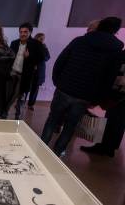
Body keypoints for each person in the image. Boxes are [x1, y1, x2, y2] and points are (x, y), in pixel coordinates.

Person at [40, 17, 124, 157]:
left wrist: (57, 82)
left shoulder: (80, 41)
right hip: (85, 95)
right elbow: (108, 78)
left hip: (64, 89)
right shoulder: (115, 51)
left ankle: (40, 150)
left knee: (52, 120)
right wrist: (97, 99)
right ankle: (57, 154)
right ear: (115, 31)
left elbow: (61, 61)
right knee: (71, 126)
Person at [80, 50, 125, 157]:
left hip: (119, 95)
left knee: (113, 119)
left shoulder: (121, 54)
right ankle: (111, 146)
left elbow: (117, 75)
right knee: (119, 121)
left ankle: (104, 147)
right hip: (120, 95)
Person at [9, 22, 44, 119]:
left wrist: (29, 57)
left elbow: (41, 58)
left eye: (25, 32)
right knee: (9, 94)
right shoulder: (14, 43)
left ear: (30, 32)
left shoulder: (36, 44)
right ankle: (4, 113)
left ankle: (17, 118)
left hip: (25, 75)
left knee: (21, 96)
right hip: (13, 72)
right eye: (21, 32)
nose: (23, 34)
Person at [27, 33, 51, 110]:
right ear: (36, 38)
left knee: (35, 89)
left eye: (43, 39)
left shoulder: (44, 48)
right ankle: (21, 102)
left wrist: (43, 48)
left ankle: (31, 104)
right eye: (40, 38)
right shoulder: (30, 46)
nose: (42, 40)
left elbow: (47, 57)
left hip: (39, 72)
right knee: (26, 87)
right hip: (30, 70)